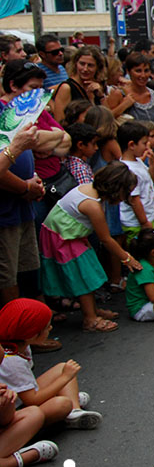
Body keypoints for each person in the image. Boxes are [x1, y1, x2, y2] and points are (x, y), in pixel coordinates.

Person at [39, 161, 141, 333]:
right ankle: (90, 319)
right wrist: (127, 258)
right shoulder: (92, 205)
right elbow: (106, 239)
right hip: (62, 239)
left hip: (69, 235)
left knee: (89, 272)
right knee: (83, 276)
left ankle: (92, 309)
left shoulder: (90, 190)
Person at [0, 61, 69, 308]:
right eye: (32, 88)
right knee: (7, 278)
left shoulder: (26, 113)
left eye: (41, 89)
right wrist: (24, 187)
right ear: (12, 85)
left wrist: (31, 182)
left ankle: (35, 330)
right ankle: (15, 339)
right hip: (6, 210)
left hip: (23, 206)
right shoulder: (3, 114)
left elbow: (63, 138)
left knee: (28, 269)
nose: (38, 96)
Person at [0, 299, 101, 429]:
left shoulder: (20, 346)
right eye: (47, 327)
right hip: (15, 410)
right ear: (31, 334)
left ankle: (75, 411)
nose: (51, 328)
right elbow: (32, 399)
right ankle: (67, 407)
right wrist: (65, 378)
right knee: (62, 404)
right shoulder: (13, 361)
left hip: (21, 398)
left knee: (62, 368)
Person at [105, 52, 154, 154]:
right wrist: (123, 106)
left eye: (146, 71)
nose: (143, 75)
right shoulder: (119, 94)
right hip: (132, 155)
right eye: (138, 71)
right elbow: (107, 121)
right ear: (129, 72)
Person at [117, 121, 154, 242]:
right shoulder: (129, 170)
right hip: (137, 223)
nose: (147, 147)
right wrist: (144, 222)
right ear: (131, 145)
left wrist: (152, 163)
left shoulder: (137, 162)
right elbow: (134, 199)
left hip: (148, 216)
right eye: (144, 143)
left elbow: (150, 180)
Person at [50, 46, 105, 123]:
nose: (85, 69)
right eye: (82, 64)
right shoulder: (67, 88)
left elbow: (106, 118)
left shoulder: (95, 87)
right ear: (76, 64)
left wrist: (100, 96)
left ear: (97, 67)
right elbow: (60, 121)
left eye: (90, 65)